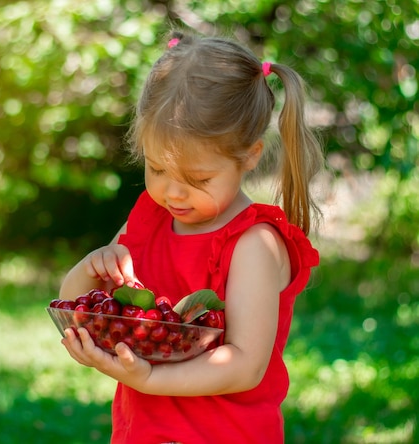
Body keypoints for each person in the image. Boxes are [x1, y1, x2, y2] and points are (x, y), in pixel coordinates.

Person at [58, 29, 324, 444]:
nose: (173, 192)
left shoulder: (254, 244)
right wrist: (89, 270)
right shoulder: (149, 220)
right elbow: (81, 305)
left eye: (198, 178)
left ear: (250, 156)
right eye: (157, 170)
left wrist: (148, 378)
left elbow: (244, 365)